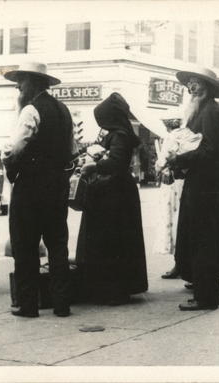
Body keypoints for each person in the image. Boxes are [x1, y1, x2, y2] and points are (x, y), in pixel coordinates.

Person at [2, 62, 75, 318]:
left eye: (20, 82)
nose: (18, 88)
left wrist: (7, 162)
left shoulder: (30, 110)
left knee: (26, 246)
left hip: (31, 187)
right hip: (57, 186)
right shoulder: (64, 110)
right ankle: (62, 303)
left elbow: (14, 149)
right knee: (57, 246)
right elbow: (72, 150)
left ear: (31, 83)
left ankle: (28, 305)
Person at [166, 67, 219, 311]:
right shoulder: (203, 109)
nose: (191, 87)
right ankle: (203, 291)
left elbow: (208, 151)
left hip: (207, 184)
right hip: (201, 181)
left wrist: (179, 159)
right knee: (200, 238)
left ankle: (206, 297)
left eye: (196, 83)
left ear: (207, 87)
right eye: (189, 83)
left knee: (204, 240)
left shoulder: (210, 111)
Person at [76, 92, 148, 305]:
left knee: (109, 239)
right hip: (117, 191)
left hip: (113, 193)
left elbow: (116, 162)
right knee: (117, 240)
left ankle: (111, 288)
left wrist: (94, 165)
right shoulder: (120, 133)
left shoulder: (119, 135)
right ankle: (114, 286)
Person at [154, 117, 186, 279]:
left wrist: (159, 166)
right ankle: (183, 262)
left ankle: (178, 263)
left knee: (172, 220)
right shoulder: (187, 135)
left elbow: (161, 162)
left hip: (172, 183)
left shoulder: (170, 137)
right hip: (184, 182)